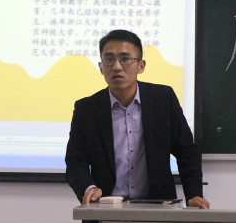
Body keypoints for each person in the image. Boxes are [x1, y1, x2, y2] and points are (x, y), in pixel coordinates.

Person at [65, 29, 210, 210]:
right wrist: (88, 188)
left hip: (158, 209)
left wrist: (194, 194)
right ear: (101, 67)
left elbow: (186, 151)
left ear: (141, 66)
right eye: (109, 59)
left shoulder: (163, 99)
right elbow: (75, 162)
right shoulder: (87, 109)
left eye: (125, 59)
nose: (116, 67)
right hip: (105, 209)